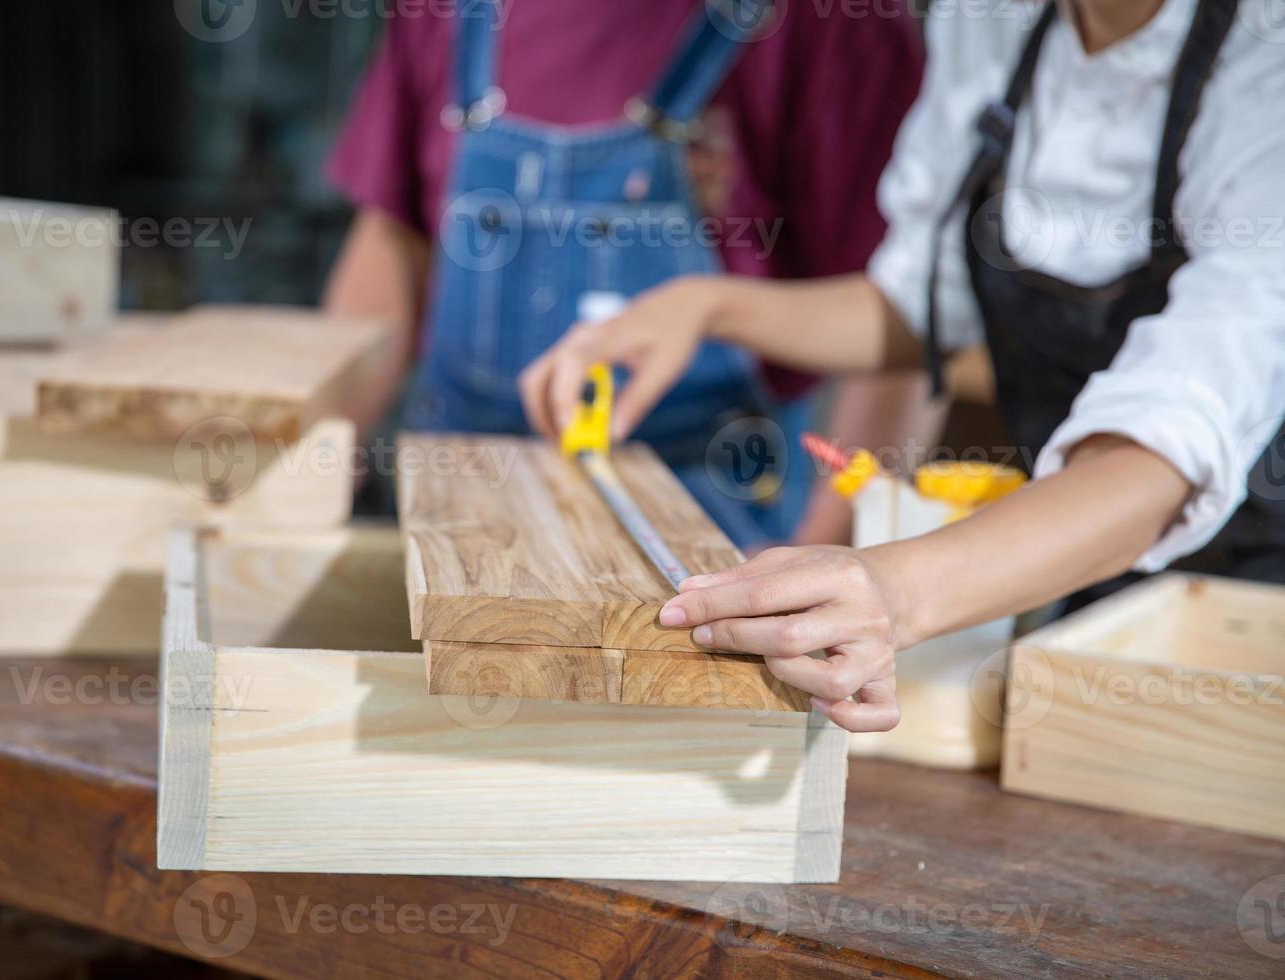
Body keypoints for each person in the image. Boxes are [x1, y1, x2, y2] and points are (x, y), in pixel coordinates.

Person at [519, 0, 1285, 732]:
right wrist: (706, 307)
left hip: (1250, 615)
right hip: (1067, 582)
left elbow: (1165, 458)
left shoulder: (1266, 58)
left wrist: (895, 589)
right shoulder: (993, 20)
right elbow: (920, 306)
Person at [324, 0, 928, 549]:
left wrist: (823, 560)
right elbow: (394, 241)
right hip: (454, 517)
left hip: (718, 534)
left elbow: (905, 321)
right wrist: (320, 459)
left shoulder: (837, 23)